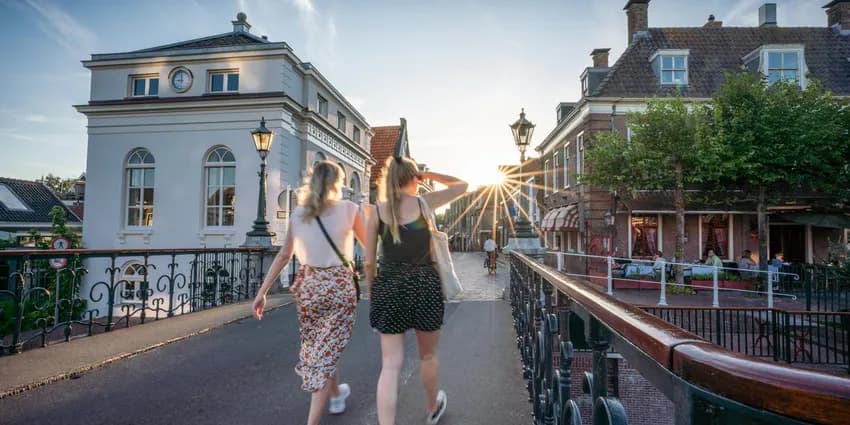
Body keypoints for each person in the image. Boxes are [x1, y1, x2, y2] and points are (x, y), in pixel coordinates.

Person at [252, 161, 366, 425]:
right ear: (338, 183)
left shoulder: (298, 215)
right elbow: (370, 247)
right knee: (325, 350)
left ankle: (336, 394)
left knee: (321, 348)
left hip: (309, 288)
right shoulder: (349, 209)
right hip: (339, 288)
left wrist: (262, 292)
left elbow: (283, 256)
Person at [364, 156, 467, 425]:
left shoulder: (377, 211)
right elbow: (462, 185)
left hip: (390, 284)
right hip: (425, 285)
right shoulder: (424, 203)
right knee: (428, 355)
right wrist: (430, 174)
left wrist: (373, 289)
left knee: (390, 363)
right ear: (413, 177)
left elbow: (368, 261)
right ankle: (432, 409)